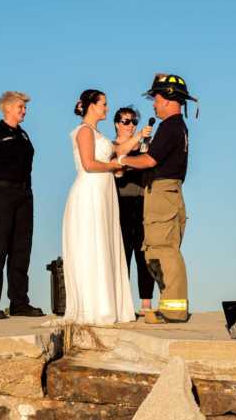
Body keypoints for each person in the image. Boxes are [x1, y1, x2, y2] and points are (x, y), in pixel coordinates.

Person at [120, 74, 197, 323]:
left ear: (168, 99)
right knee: (160, 249)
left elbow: (149, 160)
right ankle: (170, 306)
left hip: (162, 193)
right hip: (167, 192)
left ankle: (173, 309)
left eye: (157, 98)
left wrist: (119, 162)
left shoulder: (170, 126)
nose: (154, 104)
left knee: (162, 250)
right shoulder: (177, 126)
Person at [62, 90, 137, 325]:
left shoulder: (98, 134)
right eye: (103, 104)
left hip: (104, 193)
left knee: (105, 242)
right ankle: (94, 306)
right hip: (90, 192)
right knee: (92, 244)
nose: (107, 107)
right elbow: (89, 164)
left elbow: (119, 150)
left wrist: (140, 136)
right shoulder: (84, 131)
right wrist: (113, 166)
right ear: (92, 106)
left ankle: (109, 304)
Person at [0, 91, 44, 319]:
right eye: (20, 107)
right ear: (7, 109)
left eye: (24, 107)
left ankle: (19, 302)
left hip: (23, 195)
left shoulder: (24, 136)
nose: (24, 110)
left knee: (21, 250)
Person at [112, 106, 155, 313]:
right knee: (122, 254)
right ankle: (122, 303)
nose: (130, 125)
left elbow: (149, 165)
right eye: (125, 121)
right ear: (116, 124)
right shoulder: (111, 146)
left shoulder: (144, 147)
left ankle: (146, 302)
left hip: (142, 202)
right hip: (120, 204)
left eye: (133, 122)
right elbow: (116, 161)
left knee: (143, 253)